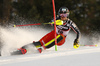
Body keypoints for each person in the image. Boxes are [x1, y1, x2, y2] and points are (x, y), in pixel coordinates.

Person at [12, 7, 81, 55]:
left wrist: (76, 40)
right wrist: (52, 22)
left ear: (67, 15)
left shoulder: (70, 23)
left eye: (65, 14)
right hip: (53, 34)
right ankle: (22, 48)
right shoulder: (56, 19)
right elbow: (51, 21)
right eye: (61, 14)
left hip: (61, 40)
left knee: (61, 36)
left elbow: (78, 32)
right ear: (59, 14)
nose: (63, 16)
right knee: (40, 42)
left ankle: (43, 48)